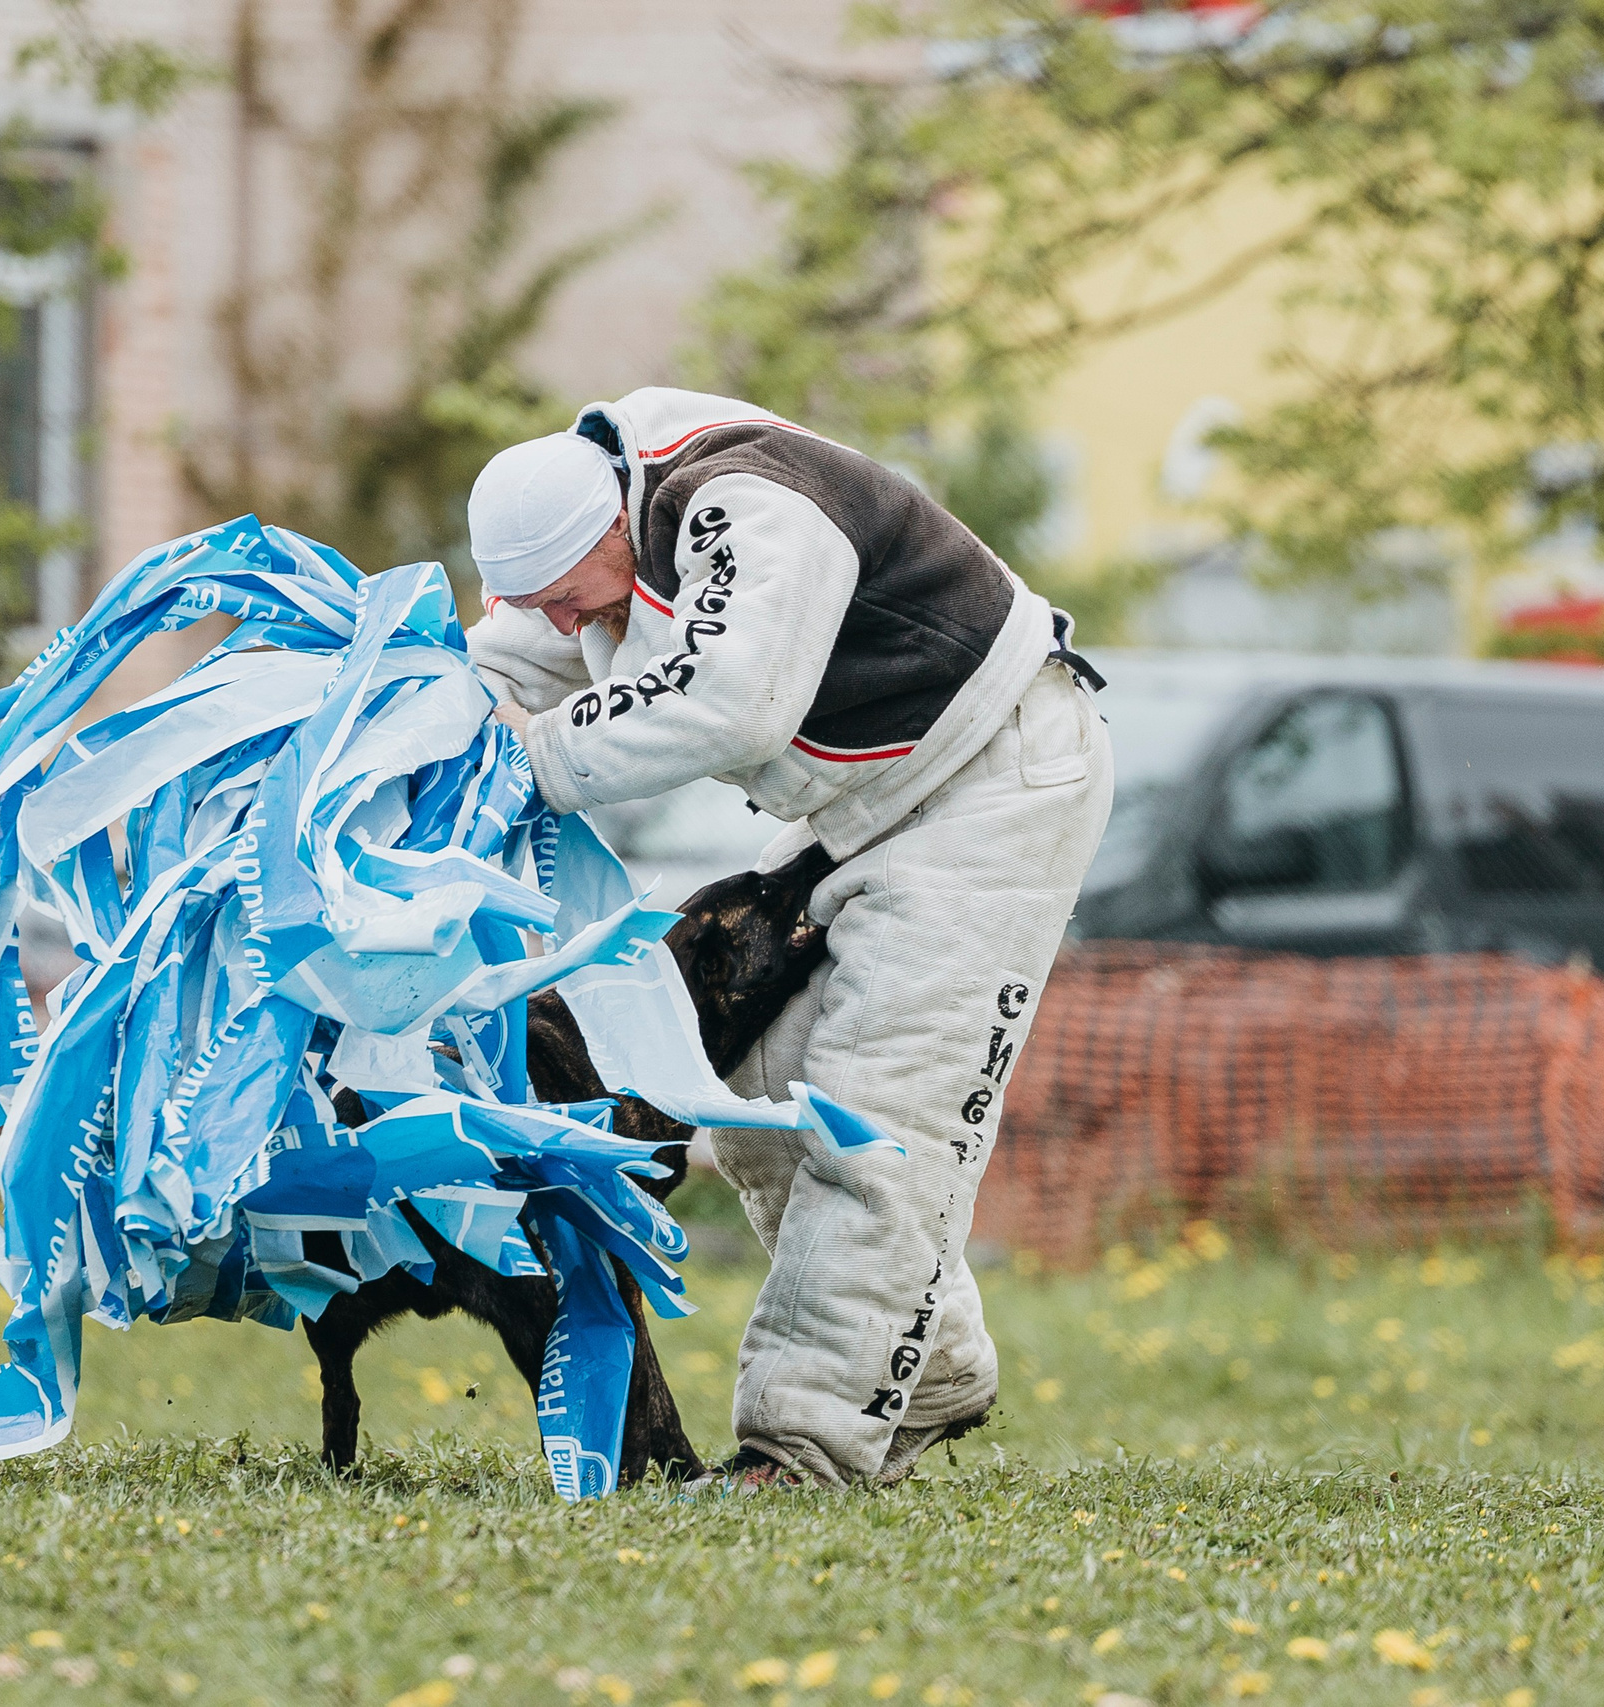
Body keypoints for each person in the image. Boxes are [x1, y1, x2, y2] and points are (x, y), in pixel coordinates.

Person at [463, 386, 1115, 1490]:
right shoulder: (589, 521)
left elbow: (732, 702)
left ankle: (805, 1446)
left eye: (571, 602)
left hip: (993, 783)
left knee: (878, 1113)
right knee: (761, 1088)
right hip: (870, 808)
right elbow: (508, 664)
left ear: (613, 529)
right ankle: (934, 1369)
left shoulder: (751, 504)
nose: (569, 630)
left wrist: (534, 756)